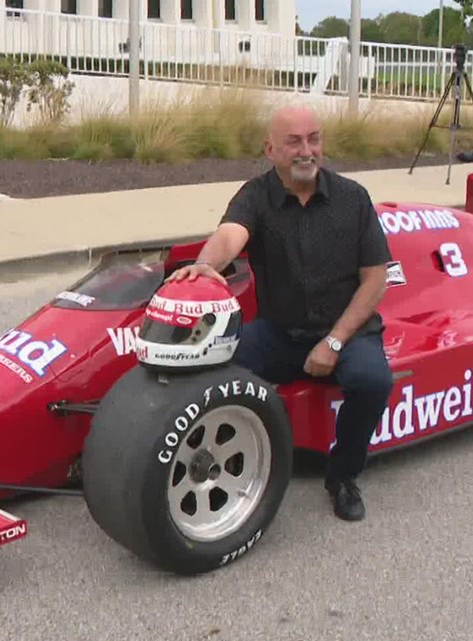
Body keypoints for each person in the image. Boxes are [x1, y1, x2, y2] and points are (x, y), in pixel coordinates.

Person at [166, 104, 394, 522]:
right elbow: (231, 234)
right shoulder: (255, 195)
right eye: (294, 142)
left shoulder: (352, 198)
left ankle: (342, 476)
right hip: (281, 333)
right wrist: (206, 266)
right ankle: (223, 457)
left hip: (347, 332)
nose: (306, 150)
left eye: (314, 139)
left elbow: (375, 280)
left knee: (373, 380)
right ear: (270, 149)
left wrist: (334, 341)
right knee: (209, 362)